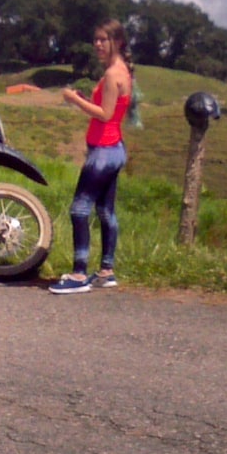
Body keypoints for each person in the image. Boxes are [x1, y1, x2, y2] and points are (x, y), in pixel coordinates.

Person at [50, 19, 133, 294]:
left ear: (117, 42)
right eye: (95, 39)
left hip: (103, 152)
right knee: (106, 211)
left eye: (103, 40)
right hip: (115, 149)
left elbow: (105, 114)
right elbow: (110, 109)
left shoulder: (111, 75)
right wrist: (88, 99)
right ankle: (106, 270)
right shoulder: (121, 71)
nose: (97, 44)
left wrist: (74, 99)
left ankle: (78, 274)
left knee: (79, 210)